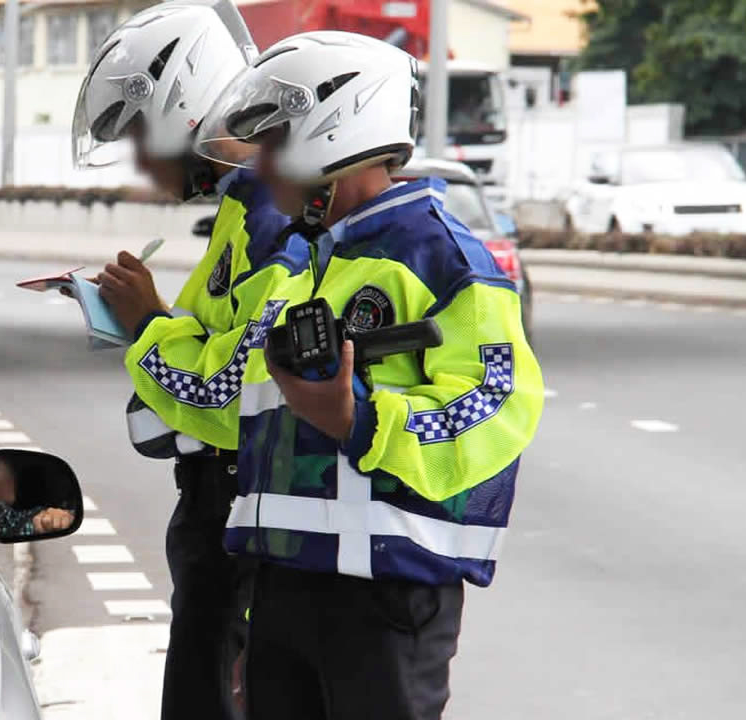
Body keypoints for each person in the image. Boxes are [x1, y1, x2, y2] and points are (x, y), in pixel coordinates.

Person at [193, 32, 545, 719]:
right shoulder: (304, 262)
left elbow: (497, 403)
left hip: (386, 596)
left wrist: (359, 421)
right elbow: (247, 406)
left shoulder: (441, 256)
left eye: (274, 143)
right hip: (282, 585)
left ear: (333, 132)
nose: (262, 168)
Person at [72, 3, 308, 718]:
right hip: (221, 514)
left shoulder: (273, 222)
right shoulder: (241, 213)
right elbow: (215, 345)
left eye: (143, 136)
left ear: (188, 112)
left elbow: (235, 391)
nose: (142, 161)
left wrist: (147, 324)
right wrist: (152, 324)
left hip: (244, 516)